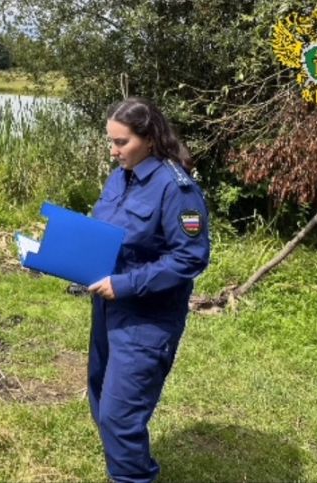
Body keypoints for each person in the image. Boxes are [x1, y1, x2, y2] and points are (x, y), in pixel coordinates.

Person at [86, 97, 210, 482]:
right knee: (101, 398)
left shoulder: (177, 189)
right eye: (111, 141)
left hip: (148, 317)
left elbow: (190, 258)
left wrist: (124, 284)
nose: (113, 150)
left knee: (119, 417)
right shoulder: (119, 176)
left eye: (121, 142)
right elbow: (104, 233)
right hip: (108, 309)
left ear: (150, 139)